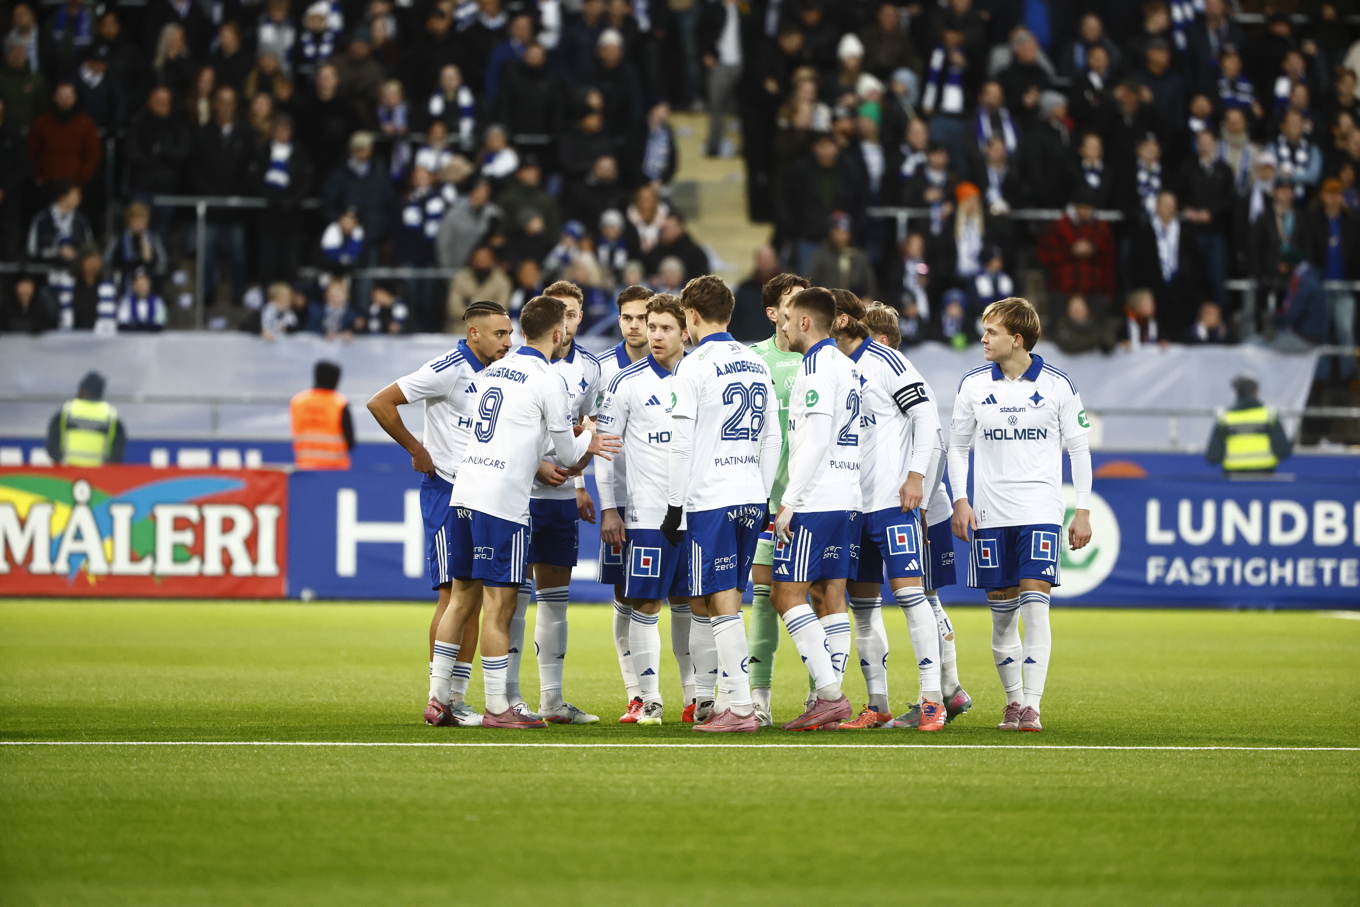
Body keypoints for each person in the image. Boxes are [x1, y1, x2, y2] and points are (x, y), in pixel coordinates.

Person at [424, 295, 617, 729]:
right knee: (500, 604)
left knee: (461, 598)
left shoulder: (492, 371)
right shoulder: (548, 380)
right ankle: (499, 706)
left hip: (464, 492)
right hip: (502, 502)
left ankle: (439, 700)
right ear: (556, 333)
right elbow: (566, 454)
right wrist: (590, 438)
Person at [368, 301, 515, 728]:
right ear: (474, 334)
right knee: (455, 595)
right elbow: (381, 403)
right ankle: (440, 697)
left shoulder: (503, 372)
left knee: (475, 598)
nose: (508, 341)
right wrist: (417, 450)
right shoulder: (448, 367)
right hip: (448, 491)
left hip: (484, 492)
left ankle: (454, 698)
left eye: (509, 333)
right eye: (500, 334)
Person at [949, 297, 1093, 734]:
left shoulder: (1058, 385)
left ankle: (1031, 705)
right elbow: (957, 447)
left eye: (990, 331)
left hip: (1040, 510)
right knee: (1002, 612)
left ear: (1017, 338)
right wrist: (960, 499)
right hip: (990, 513)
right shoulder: (973, 385)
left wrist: (1082, 509)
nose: (982, 338)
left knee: (1036, 603)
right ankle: (1012, 701)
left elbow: (1079, 448)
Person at [828, 292, 953, 732]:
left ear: (841, 319)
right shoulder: (833, 366)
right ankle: (876, 703)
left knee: (911, 597)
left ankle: (933, 698)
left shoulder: (886, 361)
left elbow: (925, 417)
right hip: (850, 506)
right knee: (862, 608)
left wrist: (916, 476)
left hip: (892, 503)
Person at [663, 274, 779, 732]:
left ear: (690, 316)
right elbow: (773, 436)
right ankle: (726, 700)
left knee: (719, 597)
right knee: (723, 593)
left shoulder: (692, 366)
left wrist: (675, 506)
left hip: (712, 497)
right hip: (751, 493)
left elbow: (681, 444)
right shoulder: (754, 362)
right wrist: (764, 494)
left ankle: (741, 707)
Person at [861, 301, 970, 729]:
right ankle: (951, 688)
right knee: (926, 598)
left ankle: (946, 691)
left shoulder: (898, 370)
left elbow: (938, 445)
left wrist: (921, 505)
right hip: (907, 504)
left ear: (882, 340)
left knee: (923, 597)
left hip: (921, 508)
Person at [762, 286, 859, 732]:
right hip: (846, 496)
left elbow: (816, 439)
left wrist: (790, 501)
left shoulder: (818, 365)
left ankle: (831, 696)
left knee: (786, 594)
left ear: (805, 322)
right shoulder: (845, 363)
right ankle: (829, 695)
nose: (782, 325)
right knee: (831, 597)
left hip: (816, 500)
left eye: (788, 318)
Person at [595, 294, 691, 726]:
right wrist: (610, 508)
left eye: (664, 327)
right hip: (648, 514)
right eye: (650, 326)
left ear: (685, 330)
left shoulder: (702, 376)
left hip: (699, 511)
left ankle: (698, 697)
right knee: (645, 602)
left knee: (695, 602)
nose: (654, 334)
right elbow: (604, 451)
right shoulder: (625, 382)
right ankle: (648, 699)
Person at [518, 280, 604, 725]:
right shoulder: (520, 365)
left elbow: (584, 427)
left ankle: (551, 700)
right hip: (518, 494)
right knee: (510, 596)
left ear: (580, 316)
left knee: (554, 598)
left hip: (557, 497)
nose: (566, 322)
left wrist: (578, 480)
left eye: (572, 313)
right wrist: (535, 466)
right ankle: (509, 697)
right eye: (559, 314)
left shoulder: (590, 368)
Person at [746, 271, 809, 727]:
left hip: (815, 504)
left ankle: (819, 697)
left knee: (824, 599)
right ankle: (759, 699)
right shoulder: (752, 361)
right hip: (767, 504)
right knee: (765, 601)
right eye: (792, 301)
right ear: (773, 313)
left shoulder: (823, 360)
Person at [1205, 372, 1293, 475]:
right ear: (1256, 392)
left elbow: (1213, 457)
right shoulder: (1269, 415)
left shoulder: (1224, 418)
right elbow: (1283, 451)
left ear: (1236, 392)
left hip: (1233, 477)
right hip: (1264, 475)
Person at [45, 371, 126, 467]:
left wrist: (61, 460)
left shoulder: (67, 411)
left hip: (69, 472)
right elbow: (118, 453)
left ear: (83, 389)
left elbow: (52, 444)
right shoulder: (111, 415)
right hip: (99, 475)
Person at [289, 360, 355, 470]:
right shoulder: (340, 403)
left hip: (305, 467)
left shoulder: (298, 401)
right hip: (336, 469)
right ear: (337, 379)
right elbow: (350, 442)